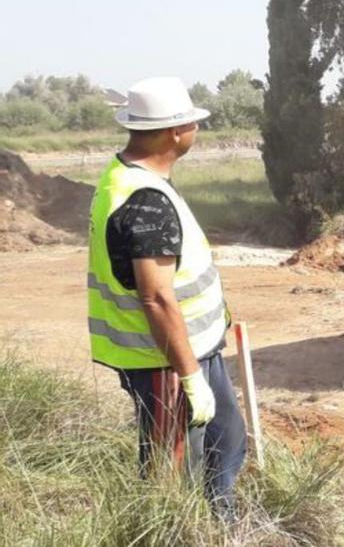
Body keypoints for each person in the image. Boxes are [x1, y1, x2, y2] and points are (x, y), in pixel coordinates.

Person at [86, 77, 245, 519]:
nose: (196, 129)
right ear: (175, 132)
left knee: (223, 444)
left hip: (187, 352)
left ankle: (220, 524)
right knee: (174, 472)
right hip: (166, 363)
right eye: (192, 123)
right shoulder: (145, 200)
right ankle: (179, 530)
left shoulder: (129, 178)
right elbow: (156, 298)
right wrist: (190, 377)